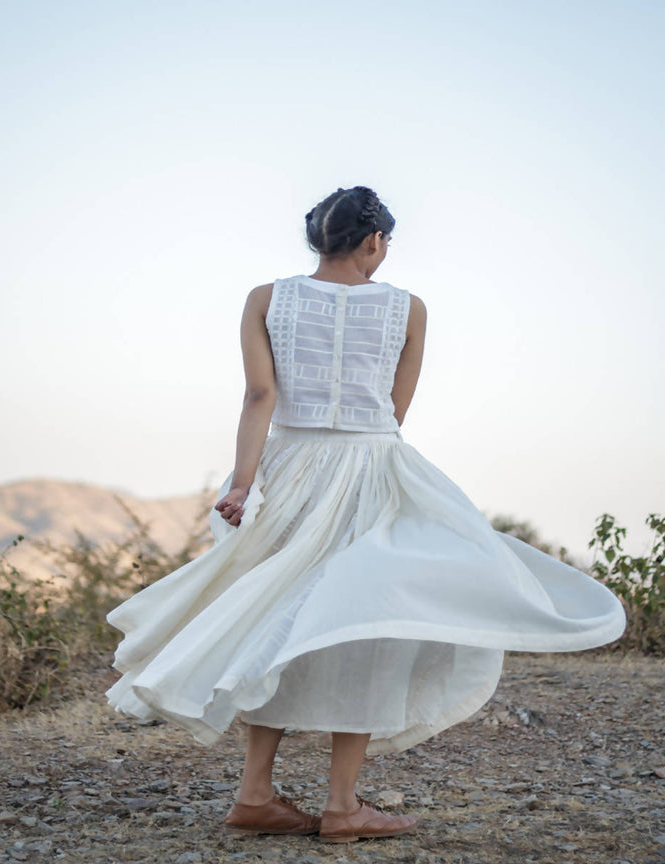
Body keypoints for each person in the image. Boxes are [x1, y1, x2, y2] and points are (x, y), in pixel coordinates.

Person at [105, 185, 626, 844]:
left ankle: (256, 792)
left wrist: (241, 486)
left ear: (316, 237)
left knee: (277, 618)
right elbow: (394, 410)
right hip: (372, 470)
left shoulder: (265, 299)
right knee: (367, 620)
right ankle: (342, 804)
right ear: (374, 241)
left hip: (291, 471)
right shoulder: (409, 309)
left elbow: (260, 394)